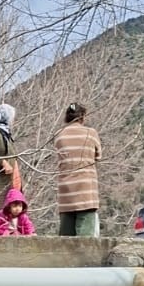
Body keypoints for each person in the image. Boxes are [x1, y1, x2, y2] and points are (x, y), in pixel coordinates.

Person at [53, 101, 102, 237]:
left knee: (66, 238)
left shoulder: (59, 135)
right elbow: (98, 156)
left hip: (65, 193)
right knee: (86, 238)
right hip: (86, 191)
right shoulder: (91, 133)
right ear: (82, 117)